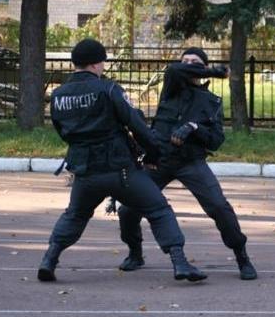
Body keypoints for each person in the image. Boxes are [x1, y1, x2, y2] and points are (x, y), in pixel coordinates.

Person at [37, 38, 207, 283]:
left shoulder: (58, 95)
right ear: (96, 64)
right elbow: (137, 125)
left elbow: (62, 131)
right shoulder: (109, 89)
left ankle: (49, 260)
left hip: (85, 171)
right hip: (120, 170)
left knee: (75, 215)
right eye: (102, 62)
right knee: (159, 209)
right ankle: (180, 262)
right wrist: (153, 155)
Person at [117, 47, 257, 280]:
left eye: (194, 62)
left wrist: (194, 128)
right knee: (127, 209)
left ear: (202, 67)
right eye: (185, 61)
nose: (188, 65)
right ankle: (135, 253)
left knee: (219, 207)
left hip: (191, 162)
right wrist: (214, 71)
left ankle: (241, 255)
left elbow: (216, 141)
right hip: (159, 160)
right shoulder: (171, 86)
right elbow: (174, 69)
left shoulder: (211, 101)